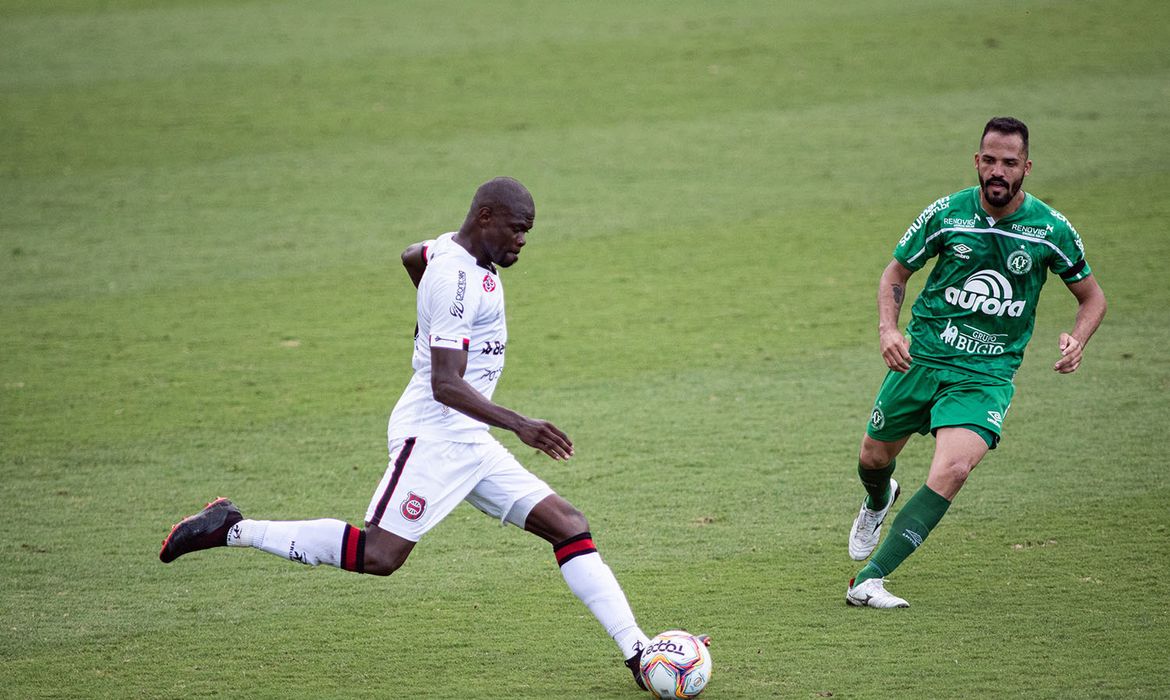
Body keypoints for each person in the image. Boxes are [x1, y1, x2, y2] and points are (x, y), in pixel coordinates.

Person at [160, 177, 688, 689]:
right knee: (379, 557)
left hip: (470, 438)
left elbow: (413, 253)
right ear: (486, 218)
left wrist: (428, 320)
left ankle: (639, 654)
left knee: (569, 526)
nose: (524, 240)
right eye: (517, 228)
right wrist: (521, 425)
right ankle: (230, 528)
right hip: (434, 434)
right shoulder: (455, 281)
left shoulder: (457, 255)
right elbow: (444, 384)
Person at [844, 118, 1107, 608]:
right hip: (921, 359)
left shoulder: (1050, 230)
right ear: (977, 162)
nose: (998, 172)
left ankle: (870, 580)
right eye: (989, 161)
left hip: (985, 376)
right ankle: (878, 500)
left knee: (955, 468)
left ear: (1026, 168)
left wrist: (1079, 339)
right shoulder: (947, 214)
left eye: (1009, 163)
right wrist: (888, 329)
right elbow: (896, 271)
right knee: (873, 458)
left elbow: (1092, 298)